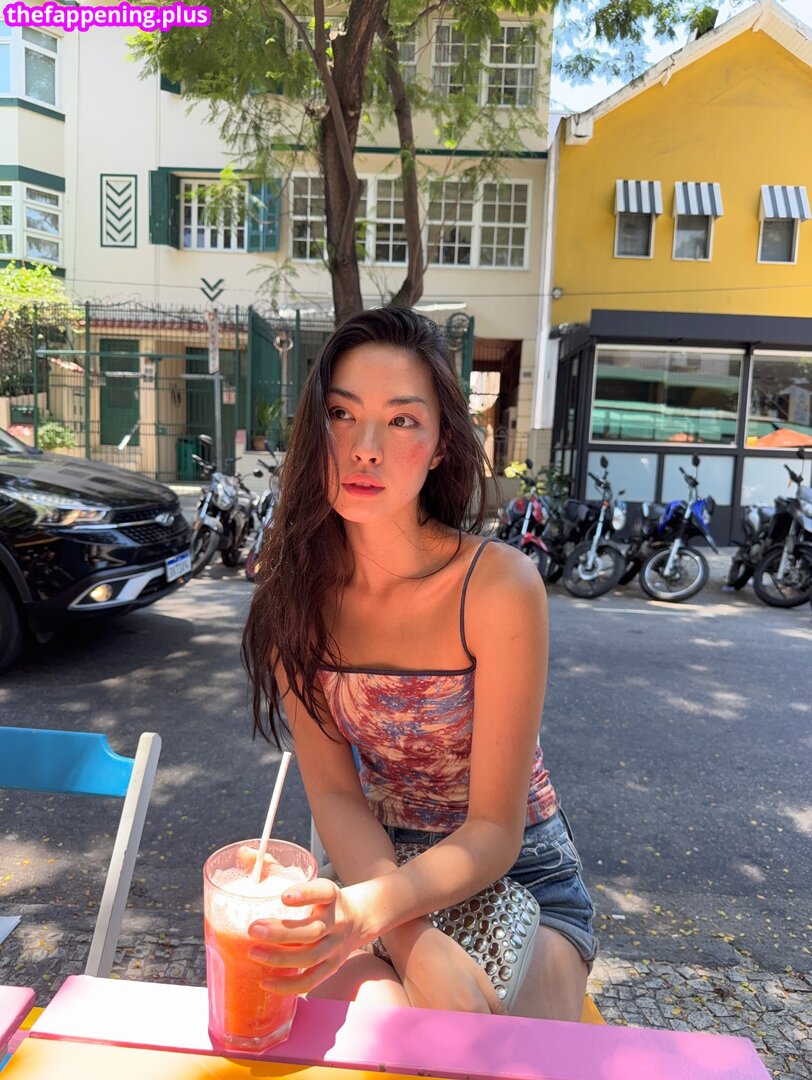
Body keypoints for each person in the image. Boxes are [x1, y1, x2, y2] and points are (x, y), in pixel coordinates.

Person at [242, 307, 596, 1020]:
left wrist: (378, 918)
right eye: (341, 414)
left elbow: (494, 829)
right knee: (320, 1029)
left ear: (440, 447)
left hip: (519, 873)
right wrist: (408, 938)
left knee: (478, 1047)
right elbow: (336, 796)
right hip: (375, 867)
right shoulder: (293, 599)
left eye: (402, 420)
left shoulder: (497, 586)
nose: (364, 447)